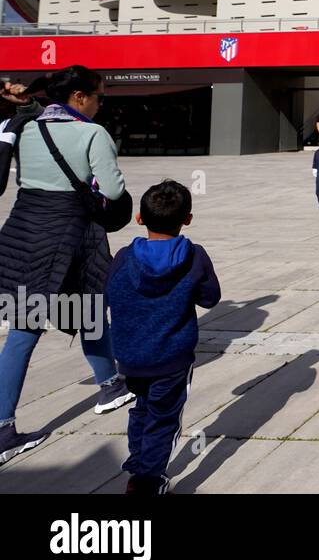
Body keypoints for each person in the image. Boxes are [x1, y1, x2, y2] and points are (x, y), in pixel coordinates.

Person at [0, 66, 135, 467]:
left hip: (24, 230)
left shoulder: (26, 128)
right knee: (65, 317)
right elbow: (112, 191)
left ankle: (109, 385)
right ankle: (3, 430)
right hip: (72, 233)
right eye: (98, 97)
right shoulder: (92, 133)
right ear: (79, 98)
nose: (100, 103)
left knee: (47, 320)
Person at [105, 180, 220, 494]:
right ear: (188, 219)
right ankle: (147, 481)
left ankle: (138, 464)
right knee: (164, 419)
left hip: (130, 356)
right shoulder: (194, 256)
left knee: (141, 409)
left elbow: (107, 294)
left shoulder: (124, 258)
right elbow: (210, 298)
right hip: (172, 358)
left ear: (139, 218)